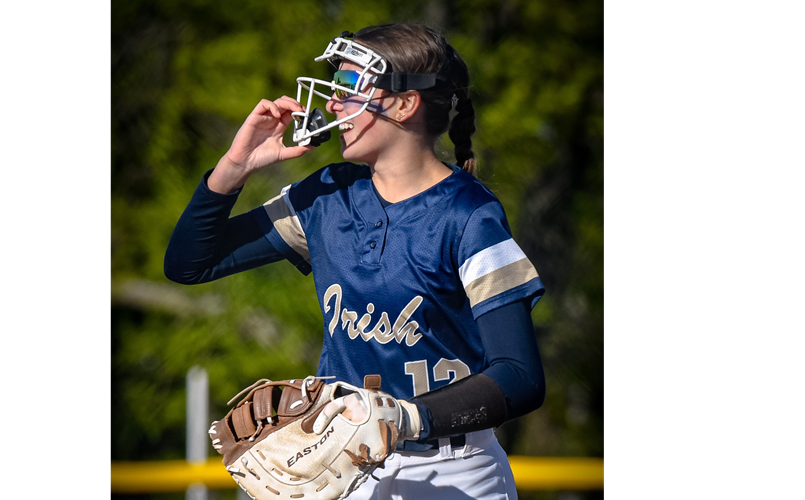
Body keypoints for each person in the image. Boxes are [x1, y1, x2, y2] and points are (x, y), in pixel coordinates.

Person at [165, 22, 546, 500]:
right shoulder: (327, 198)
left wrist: (406, 418)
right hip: (344, 470)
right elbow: (189, 264)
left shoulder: (469, 215)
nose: (331, 103)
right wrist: (234, 168)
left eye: (347, 87)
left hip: (453, 473)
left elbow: (521, 376)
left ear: (405, 104)